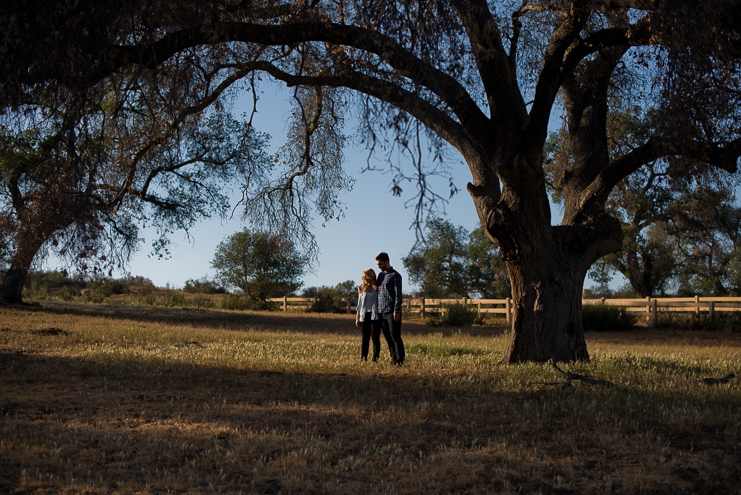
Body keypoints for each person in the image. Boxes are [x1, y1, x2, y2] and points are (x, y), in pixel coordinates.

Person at [375, 252, 405, 366]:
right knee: (387, 337)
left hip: (392, 311)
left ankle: (400, 359)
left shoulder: (395, 275)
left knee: (395, 335)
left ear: (387, 261)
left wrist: (396, 310)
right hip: (381, 310)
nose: (379, 266)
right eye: (378, 264)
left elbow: (398, 295)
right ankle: (393, 358)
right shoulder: (381, 275)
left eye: (380, 264)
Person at [355, 268, 382, 362]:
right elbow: (359, 305)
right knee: (365, 339)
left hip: (375, 316)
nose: (365, 278)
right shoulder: (362, 288)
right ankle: (363, 358)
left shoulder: (378, 288)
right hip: (364, 316)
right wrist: (357, 319)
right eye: (364, 276)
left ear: (372, 276)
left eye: (367, 276)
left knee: (375, 338)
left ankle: (375, 358)